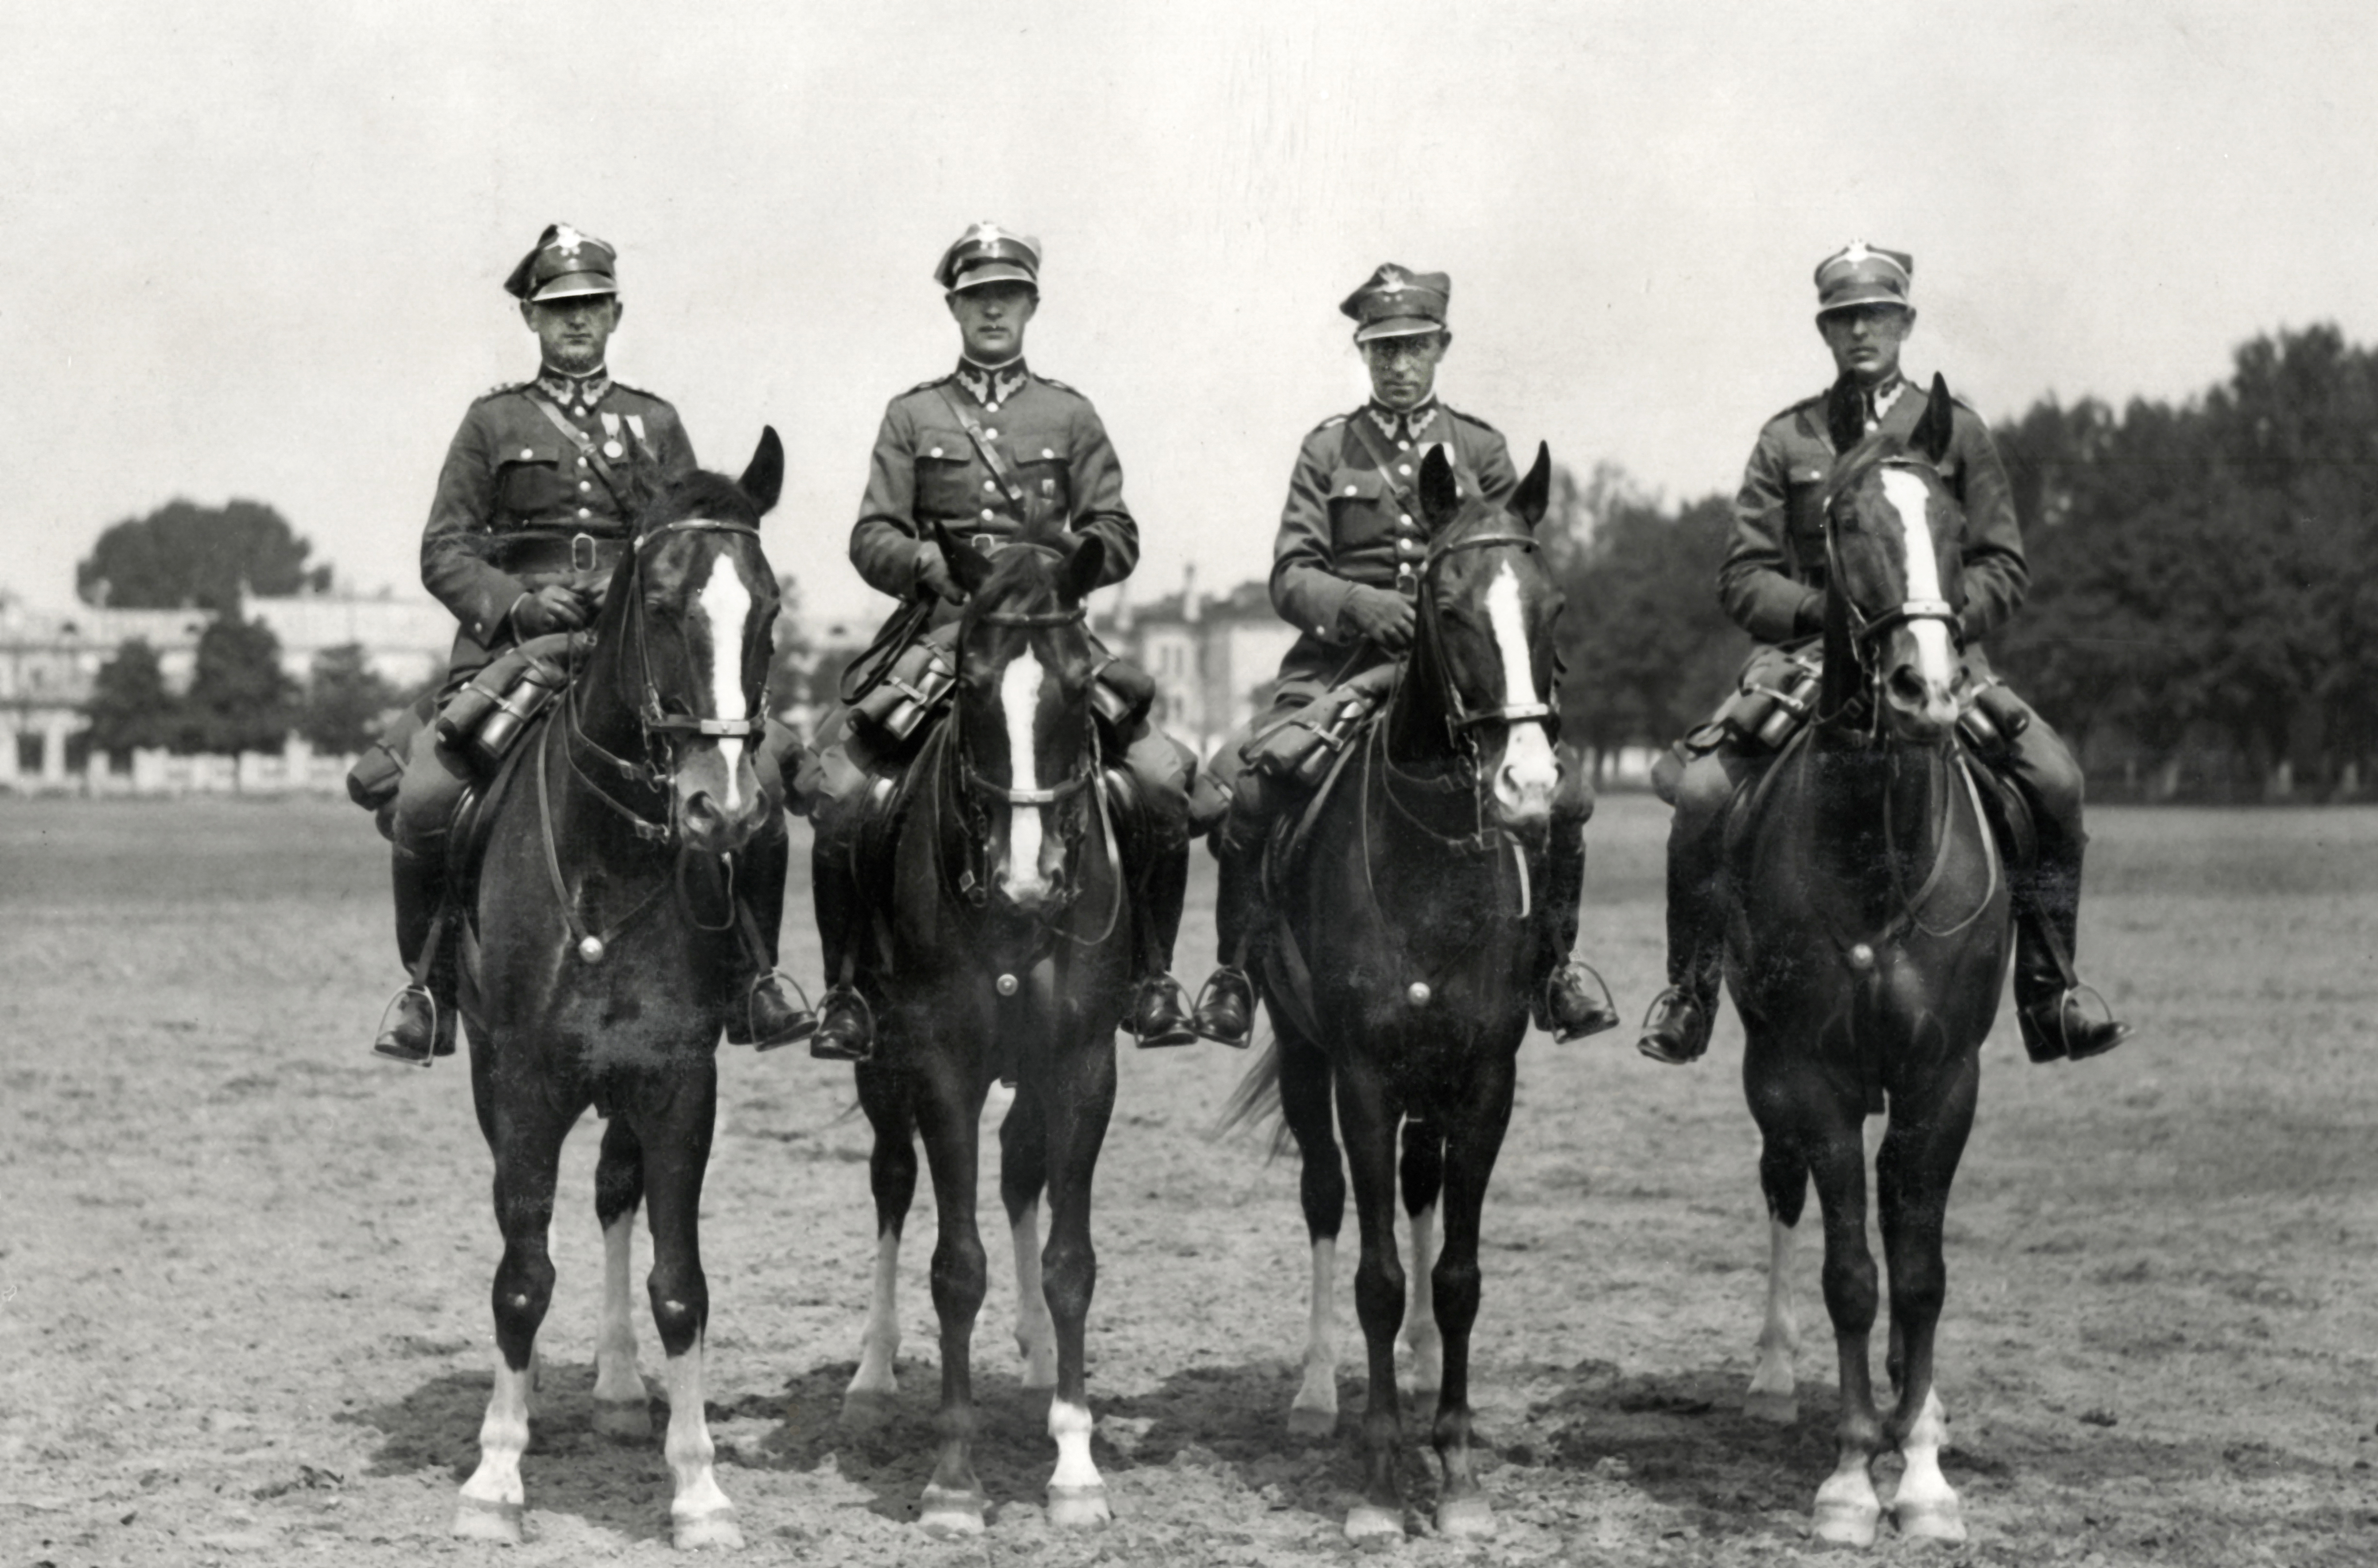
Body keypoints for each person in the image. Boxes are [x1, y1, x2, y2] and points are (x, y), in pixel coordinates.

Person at [1637, 241, 2132, 1068]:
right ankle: (1691, 992)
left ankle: (2050, 990)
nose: (1862, 330)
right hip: (1808, 663)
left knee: (2056, 780)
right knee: (1699, 793)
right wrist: (1822, 614)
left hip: (1932, 656)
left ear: (1906, 322)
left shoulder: (1957, 433)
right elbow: (1742, 575)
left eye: (1877, 315)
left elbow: (2004, 564)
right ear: (1826, 333)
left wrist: (1935, 622)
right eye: (1844, 319)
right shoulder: (1787, 438)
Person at [371, 223, 812, 1065]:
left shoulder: (656, 423)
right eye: (559, 309)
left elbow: (695, 544)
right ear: (533, 321)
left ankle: (753, 977)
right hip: (522, 648)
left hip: (640, 647)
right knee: (429, 793)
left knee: (756, 791)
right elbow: (444, 549)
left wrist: (626, 595)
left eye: (592, 307)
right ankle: (428, 990)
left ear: (615, 315)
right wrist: (517, 605)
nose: (576, 323)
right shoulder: (492, 423)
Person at [1188, 264, 1622, 1048]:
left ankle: (1557, 968)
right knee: (1253, 786)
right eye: (1382, 349)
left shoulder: (1481, 448)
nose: (1398, 364)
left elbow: (1512, 566)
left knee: (1564, 798)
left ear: (1441, 347)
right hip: (1341, 670)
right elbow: (1291, 573)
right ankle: (1235, 973)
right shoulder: (1328, 449)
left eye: (1414, 346)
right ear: (1363, 352)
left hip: (1463, 680)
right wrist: (1361, 606)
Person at [804, 222, 1201, 1062]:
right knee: (842, 794)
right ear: (954, 306)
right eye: (977, 297)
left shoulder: (1070, 413)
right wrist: (931, 565)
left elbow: (1117, 534)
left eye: (1008, 297)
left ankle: (1153, 978)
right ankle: (847, 990)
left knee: (1163, 784)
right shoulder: (913, 415)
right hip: (946, 634)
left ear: (1031, 306)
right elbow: (871, 535)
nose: (993, 311)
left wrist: (1059, 558)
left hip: (1052, 632)